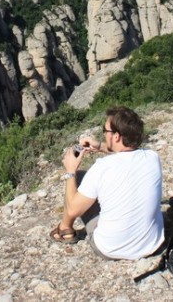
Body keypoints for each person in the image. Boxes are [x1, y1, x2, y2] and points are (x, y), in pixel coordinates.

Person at [49, 106, 165, 260]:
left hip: (110, 248)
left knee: (78, 178)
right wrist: (99, 146)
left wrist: (70, 171)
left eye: (105, 131)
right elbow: (128, 151)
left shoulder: (102, 167)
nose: (104, 134)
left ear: (116, 136)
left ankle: (65, 230)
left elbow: (72, 210)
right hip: (151, 245)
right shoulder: (152, 157)